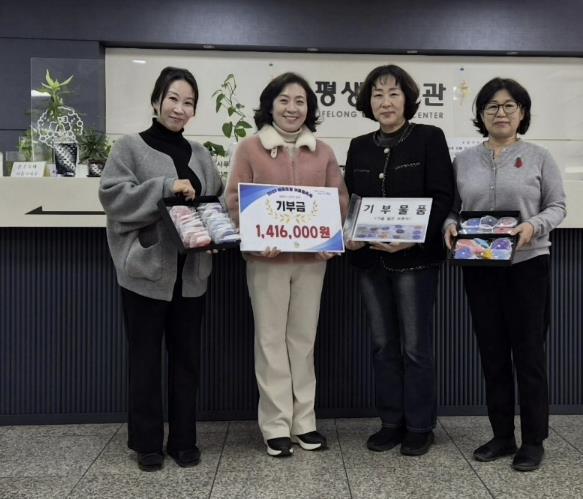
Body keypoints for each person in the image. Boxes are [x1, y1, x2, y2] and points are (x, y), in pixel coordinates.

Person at [99, 67, 222, 472]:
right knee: (145, 360)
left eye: (188, 102)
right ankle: (147, 442)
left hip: (192, 275)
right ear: (156, 101)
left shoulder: (201, 154)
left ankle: (184, 439)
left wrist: (218, 232)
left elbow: (215, 202)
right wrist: (166, 187)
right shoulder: (129, 148)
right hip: (146, 272)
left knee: (187, 361)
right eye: (173, 98)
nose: (179, 108)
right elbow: (114, 198)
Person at [444, 77, 566, 471]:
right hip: (480, 267)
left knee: (529, 356)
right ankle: (501, 436)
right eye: (492, 106)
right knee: (492, 354)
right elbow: (453, 208)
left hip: (527, 266)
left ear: (522, 112)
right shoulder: (463, 161)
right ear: (481, 114)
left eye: (509, 105)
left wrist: (532, 226)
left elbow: (557, 206)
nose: (501, 112)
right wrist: (449, 225)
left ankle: (533, 440)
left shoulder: (539, 157)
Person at [226, 72, 349, 457]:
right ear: (270, 104)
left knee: (303, 340)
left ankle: (304, 422)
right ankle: (276, 425)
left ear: (309, 108)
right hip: (267, 261)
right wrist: (255, 238)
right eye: (284, 100)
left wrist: (332, 238)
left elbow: (339, 200)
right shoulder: (250, 148)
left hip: (312, 262)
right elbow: (234, 201)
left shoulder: (323, 152)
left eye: (300, 101)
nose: (292, 108)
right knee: (270, 340)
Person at [344, 64, 454, 456]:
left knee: (415, 348)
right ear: (368, 102)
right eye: (377, 94)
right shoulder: (359, 145)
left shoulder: (428, 138)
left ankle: (420, 425)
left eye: (393, 93)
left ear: (407, 99)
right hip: (371, 262)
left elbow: (443, 196)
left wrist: (412, 239)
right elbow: (352, 201)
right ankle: (391, 422)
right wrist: (350, 234)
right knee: (382, 345)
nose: (385, 101)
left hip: (415, 261)